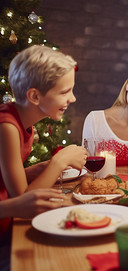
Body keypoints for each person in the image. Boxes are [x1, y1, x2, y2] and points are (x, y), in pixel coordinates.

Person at [0, 45, 87, 237]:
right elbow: (23, 201)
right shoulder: (7, 126)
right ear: (35, 96)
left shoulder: (19, 119)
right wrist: (59, 161)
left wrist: (33, 171)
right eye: (65, 92)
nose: (72, 98)